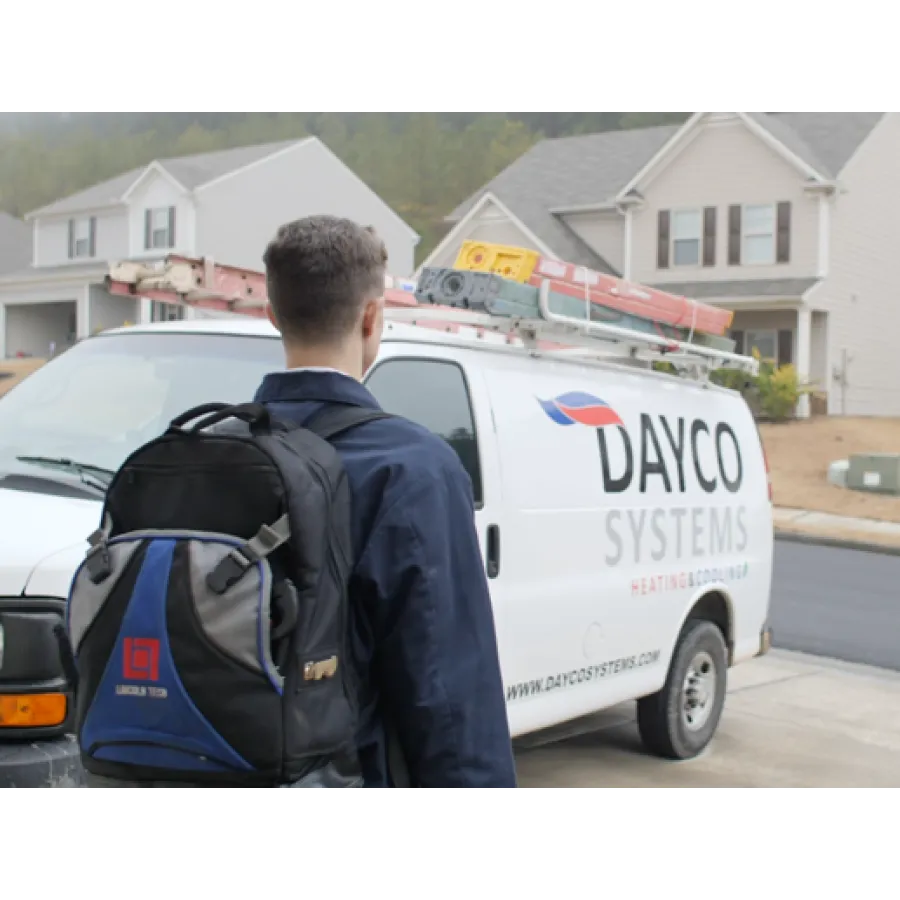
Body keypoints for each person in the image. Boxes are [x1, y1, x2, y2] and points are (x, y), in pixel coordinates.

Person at [253, 214, 518, 791]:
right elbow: (451, 700)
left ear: (272, 315)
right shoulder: (411, 467)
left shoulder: (209, 452)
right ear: (373, 317)